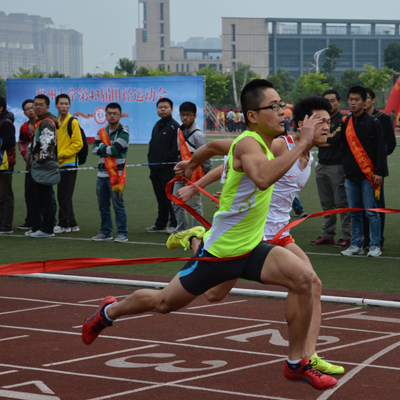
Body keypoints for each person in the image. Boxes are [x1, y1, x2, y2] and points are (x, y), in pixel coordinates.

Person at [82, 80, 337, 390]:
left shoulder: (264, 143)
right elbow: (262, 178)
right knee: (164, 303)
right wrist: (301, 143)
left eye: (281, 105)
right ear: (252, 115)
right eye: (273, 107)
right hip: (221, 253)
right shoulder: (250, 143)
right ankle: (109, 311)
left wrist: (192, 164)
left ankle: (297, 363)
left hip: (254, 246)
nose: (281, 111)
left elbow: (215, 147)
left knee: (306, 280)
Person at [172, 95, 344, 377]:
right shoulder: (280, 145)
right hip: (253, 233)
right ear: (302, 124)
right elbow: (232, 160)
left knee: (312, 283)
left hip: (280, 232)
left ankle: (308, 356)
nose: (327, 126)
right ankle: (197, 239)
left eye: (329, 121)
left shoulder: (309, 156)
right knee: (214, 295)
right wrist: (194, 186)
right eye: (320, 121)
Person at [339, 86, 387, 258]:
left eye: (357, 100)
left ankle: (374, 245)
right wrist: (345, 168)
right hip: (350, 176)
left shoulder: (373, 122)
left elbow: (380, 149)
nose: (353, 103)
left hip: (369, 176)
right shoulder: (346, 121)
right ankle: (356, 245)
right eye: (351, 99)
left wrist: (379, 171)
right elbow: (343, 147)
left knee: (371, 212)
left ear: (364, 101)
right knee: (355, 212)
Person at [311, 89, 351, 247]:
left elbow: (333, 138)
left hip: (338, 166)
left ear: (339, 102)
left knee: (342, 203)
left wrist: (321, 140)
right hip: (321, 164)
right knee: (326, 204)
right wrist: (322, 141)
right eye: (326, 101)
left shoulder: (344, 120)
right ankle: (327, 235)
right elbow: (315, 138)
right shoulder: (320, 119)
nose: (330, 104)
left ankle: (346, 235)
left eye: (333, 100)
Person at [91, 103, 129, 243]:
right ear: (105, 115)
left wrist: (102, 146)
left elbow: (115, 150)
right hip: (101, 175)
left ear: (120, 115)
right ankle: (105, 232)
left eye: (115, 113)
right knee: (103, 206)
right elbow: (93, 150)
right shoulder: (101, 131)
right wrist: (106, 148)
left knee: (118, 205)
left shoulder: (124, 132)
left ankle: (122, 233)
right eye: (109, 113)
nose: (112, 116)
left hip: (116, 176)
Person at [363, 87, 396, 250]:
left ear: (373, 100)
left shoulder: (382, 118)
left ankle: (378, 240)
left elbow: (391, 143)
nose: (363, 101)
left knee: (376, 205)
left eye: (366, 98)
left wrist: (377, 157)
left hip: (375, 170)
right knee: (360, 207)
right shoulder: (353, 119)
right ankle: (365, 238)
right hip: (358, 170)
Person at [171, 102, 212, 233]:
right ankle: (181, 231)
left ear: (194, 116)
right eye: (182, 115)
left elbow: (206, 159)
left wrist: (203, 176)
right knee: (176, 201)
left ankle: (197, 232)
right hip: (182, 174)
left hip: (196, 175)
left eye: (188, 115)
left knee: (195, 205)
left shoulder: (198, 135)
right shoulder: (179, 131)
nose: (185, 118)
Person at [26, 94, 59, 238]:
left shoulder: (47, 122)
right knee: (34, 196)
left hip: (43, 167)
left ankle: (47, 229)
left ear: (47, 107)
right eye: (35, 104)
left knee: (44, 198)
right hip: (36, 166)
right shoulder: (41, 121)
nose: (37, 107)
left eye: (41, 105)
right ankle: (37, 227)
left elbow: (48, 144)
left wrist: (40, 158)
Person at [146, 98, 179, 234]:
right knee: (160, 198)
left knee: (170, 198)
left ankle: (174, 224)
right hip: (155, 169)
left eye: (166, 107)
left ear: (171, 109)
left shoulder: (175, 126)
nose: (163, 109)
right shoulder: (157, 125)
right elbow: (152, 144)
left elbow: (176, 148)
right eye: (160, 107)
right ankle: (160, 224)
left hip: (168, 169)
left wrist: (165, 160)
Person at [53, 94, 83, 234]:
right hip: (59, 164)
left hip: (69, 164)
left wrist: (61, 155)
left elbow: (78, 144)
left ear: (70, 106)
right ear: (56, 106)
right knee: (65, 196)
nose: (64, 106)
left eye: (66, 104)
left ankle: (64, 224)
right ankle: (73, 224)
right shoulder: (57, 122)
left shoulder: (73, 122)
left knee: (63, 196)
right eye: (61, 103)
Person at [16, 99, 37, 230]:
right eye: (27, 109)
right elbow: (21, 142)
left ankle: (48, 222)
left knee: (45, 194)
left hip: (43, 166)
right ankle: (30, 220)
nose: (30, 110)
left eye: (32, 107)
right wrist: (24, 154)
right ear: (24, 113)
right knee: (29, 194)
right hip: (29, 166)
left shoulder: (43, 124)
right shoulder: (24, 127)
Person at [0, 96, 16, 234]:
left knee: (6, 195)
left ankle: (7, 225)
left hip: (4, 163)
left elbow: (10, 142)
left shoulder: (6, 122)